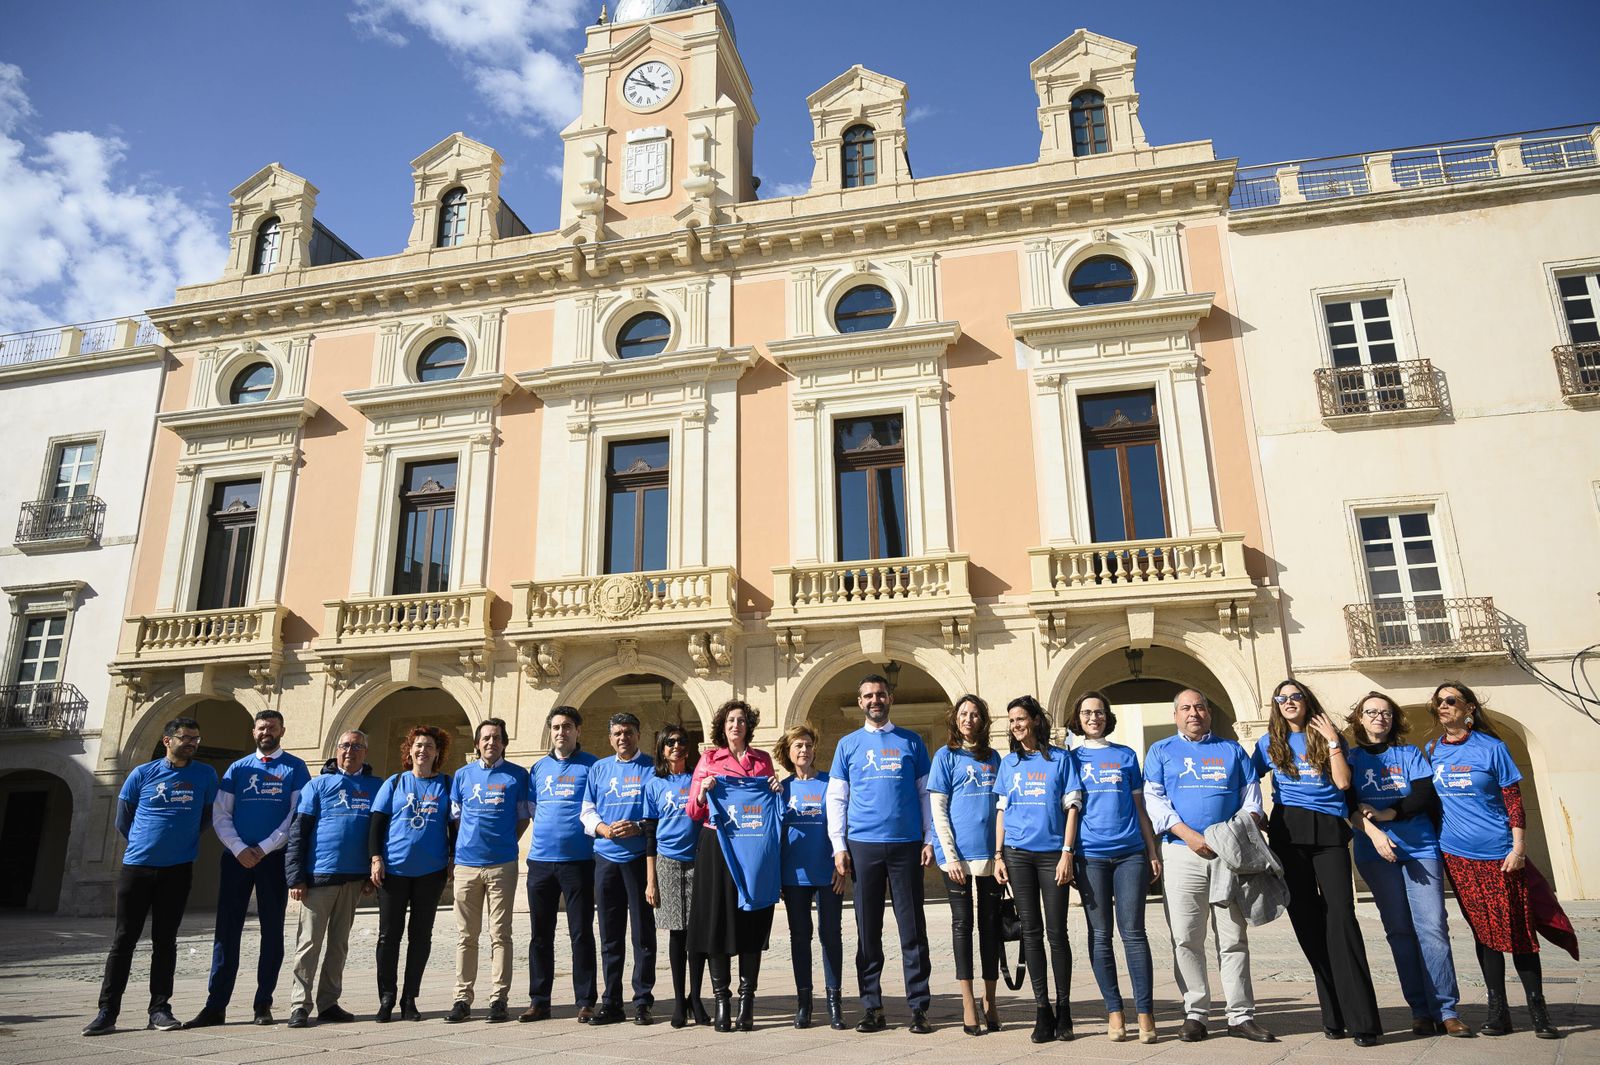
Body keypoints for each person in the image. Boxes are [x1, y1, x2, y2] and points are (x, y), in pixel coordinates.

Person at [1427, 682, 1566, 1039]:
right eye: (1438, 702)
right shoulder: (1432, 750)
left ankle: (1539, 1013)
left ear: (1468, 708)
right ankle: (1498, 1013)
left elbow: (1514, 800)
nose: (1443, 706)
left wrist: (1518, 849)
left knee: (1518, 932)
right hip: (1456, 856)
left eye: (1451, 701)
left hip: (1500, 855)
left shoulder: (1492, 748)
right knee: (1484, 934)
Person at [1252, 680, 1382, 1046]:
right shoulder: (1268, 742)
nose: (1290, 702)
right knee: (1307, 921)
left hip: (1329, 833)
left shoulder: (1327, 735)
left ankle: (1363, 1020)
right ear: (1276, 704)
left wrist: (1332, 740)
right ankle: (1333, 1014)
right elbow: (1247, 779)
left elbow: (1342, 782)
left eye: (1296, 697)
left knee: (1341, 918)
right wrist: (1255, 815)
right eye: (1282, 698)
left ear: (1307, 702)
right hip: (1288, 831)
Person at [1143, 689, 1275, 1043]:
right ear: (1175, 715)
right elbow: (1155, 801)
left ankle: (1240, 1015)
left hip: (1228, 855)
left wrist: (1228, 835)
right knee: (1186, 937)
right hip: (1181, 852)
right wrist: (1188, 835)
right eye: (1185, 708)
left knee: (1232, 937)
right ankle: (1196, 1013)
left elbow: (1252, 799)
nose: (1193, 713)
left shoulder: (1232, 750)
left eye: (1199, 707)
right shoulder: (1160, 752)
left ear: (1209, 713)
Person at [1344, 692, 1471, 1037]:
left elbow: (1422, 795)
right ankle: (1419, 1010)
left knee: (1432, 927)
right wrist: (1374, 832)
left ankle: (1446, 1009)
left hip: (1420, 847)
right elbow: (1347, 804)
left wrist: (1388, 813)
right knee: (1399, 931)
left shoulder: (1409, 753)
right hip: (1375, 853)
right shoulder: (1350, 760)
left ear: (1393, 719)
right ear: (1359, 718)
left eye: (1385, 713)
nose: (1379, 718)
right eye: (1370, 712)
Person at [83, 717, 219, 1037]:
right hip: (137, 868)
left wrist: (178, 842)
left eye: (196, 739)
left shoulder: (205, 775)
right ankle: (107, 1011)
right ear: (167, 739)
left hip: (178, 869)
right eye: (186, 738)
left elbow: (207, 816)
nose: (192, 743)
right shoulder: (142, 773)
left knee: (165, 941)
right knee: (124, 940)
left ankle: (159, 1009)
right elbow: (123, 819)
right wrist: (147, 843)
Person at [185, 709, 309, 1029]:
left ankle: (263, 1003)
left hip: (273, 860)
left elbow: (296, 815)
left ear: (282, 731)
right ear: (253, 732)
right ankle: (216, 1005)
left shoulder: (295, 767)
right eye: (260, 727)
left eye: (272, 727)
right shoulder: (237, 769)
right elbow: (221, 814)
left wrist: (265, 847)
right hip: (237, 859)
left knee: (271, 932)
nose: (266, 731)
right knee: (226, 932)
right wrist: (240, 849)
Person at [826, 674, 936, 1034]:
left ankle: (919, 1006)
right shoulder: (848, 745)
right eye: (868, 695)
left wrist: (929, 838)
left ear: (890, 699)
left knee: (912, 929)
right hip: (863, 846)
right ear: (860, 702)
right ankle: (872, 1007)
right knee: (867, 931)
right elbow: (837, 799)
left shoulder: (912, 742)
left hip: (905, 844)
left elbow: (925, 795)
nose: (875, 700)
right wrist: (839, 846)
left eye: (881, 694)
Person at [1067, 691, 1160, 1044]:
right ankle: (1114, 1011)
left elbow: (1140, 808)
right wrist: (1069, 854)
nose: (1094, 717)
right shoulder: (1071, 760)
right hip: (1089, 856)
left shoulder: (1126, 756)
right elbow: (1069, 812)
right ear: (1078, 718)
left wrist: (1152, 850)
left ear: (1108, 716)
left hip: (1130, 854)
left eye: (1100, 712)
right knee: (1100, 935)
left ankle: (1145, 1012)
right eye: (1087, 713)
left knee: (1134, 933)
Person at [993, 695, 1081, 1044]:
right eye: (1012, 720)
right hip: (1017, 854)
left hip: (1052, 854)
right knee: (1030, 931)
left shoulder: (1061, 759)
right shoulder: (1008, 764)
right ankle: (1041, 1009)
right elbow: (1002, 810)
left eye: (1021, 719)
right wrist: (998, 855)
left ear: (1035, 721)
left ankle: (1065, 1009)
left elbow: (1072, 807)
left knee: (1057, 932)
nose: (1016, 725)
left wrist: (1067, 853)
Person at [685, 700, 777, 1032]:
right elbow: (693, 812)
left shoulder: (762, 761)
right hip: (717, 848)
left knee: (751, 921)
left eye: (741, 720)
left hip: (752, 848)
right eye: (730, 720)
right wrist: (702, 793)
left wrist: (776, 790)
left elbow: (770, 806)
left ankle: (747, 1002)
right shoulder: (709, 760)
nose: (735, 725)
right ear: (722, 727)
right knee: (716, 922)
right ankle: (721, 1001)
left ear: (748, 726)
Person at [284, 729, 378, 1029]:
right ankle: (300, 1004)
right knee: (309, 943)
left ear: (365, 752)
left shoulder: (375, 786)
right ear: (337, 750)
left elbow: (378, 835)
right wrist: (295, 876)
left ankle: (328, 1003)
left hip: (353, 880)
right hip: (318, 878)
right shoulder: (317, 785)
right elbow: (298, 833)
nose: (350, 751)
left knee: (339, 945)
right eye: (345, 746)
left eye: (357, 746)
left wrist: (368, 875)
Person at [449, 717, 533, 1024]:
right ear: (476, 743)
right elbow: (456, 818)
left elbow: (524, 817)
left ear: (504, 743)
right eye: (485, 738)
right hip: (466, 865)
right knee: (466, 936)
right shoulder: (462, 775)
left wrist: (506, 839)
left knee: (501, 934)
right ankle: (462, 998)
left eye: (496, 738)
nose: (490, 743)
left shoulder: (516, 776)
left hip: (502, 864)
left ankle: (499, 998)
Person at [927, 695, 1002, 1037]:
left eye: (974, 714)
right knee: (962, 926)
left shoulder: (994, 758)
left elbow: (1002, 807)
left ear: (982, 720)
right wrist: (950, 854)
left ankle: (991, 999)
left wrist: (1001, 854)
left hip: (990, 857)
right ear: (954, 720)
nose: (968, 719)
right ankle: (967, 1001)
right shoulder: (946, 757)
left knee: (989, 926)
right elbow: (938, 808)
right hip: (956, 858)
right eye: (963, 714)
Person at [370, 725, 453, 1022]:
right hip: (393, 871)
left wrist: (453, 857)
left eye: (429, 746)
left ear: (437, 752)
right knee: (388, 936)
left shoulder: (446, 784)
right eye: (418, 745)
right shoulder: (394, 783)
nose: (423, 750)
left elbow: (455, 825)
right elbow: (376, 824)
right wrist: (376, 858)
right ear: (410, 750)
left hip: (430, 872)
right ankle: (386, 997)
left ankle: (409, 999)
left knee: (421, 937)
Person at [523, 706, 598, 1024]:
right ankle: (540, 1001)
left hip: (579, 862)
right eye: (555, 727)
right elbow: (531, 810)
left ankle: (585, 1001)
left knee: (581, 933)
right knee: (540, 935)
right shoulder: (538, 769)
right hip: (540, 863)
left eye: (567, 726)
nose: (561, 732)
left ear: (578, 730)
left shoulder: (592, 766)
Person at [581, 712, 657, 1025]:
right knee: (610, 936)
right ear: (610, 737)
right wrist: (603, 828)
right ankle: (611, 1002)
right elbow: (586, 811)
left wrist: (639, 826)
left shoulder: (652, 768)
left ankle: (642, 1001)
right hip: (605, 859)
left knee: (643, 934)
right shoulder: (598, 768)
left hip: (639, 860)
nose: (622, 738)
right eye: (616, 733)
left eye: (627, 732)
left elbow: (658, 813)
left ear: (638, 734)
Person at [776, 724, 847, 1031]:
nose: (803, 750)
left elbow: (845, 825)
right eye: (797, 746)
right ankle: (804, 1003)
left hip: (828, 872)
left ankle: (835, 1004)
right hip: (794, 875)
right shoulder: (782, 789)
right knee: (800, 938)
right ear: (789, 753)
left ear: (814, 749)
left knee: (831, 936)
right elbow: (773, 834)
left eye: (807, 745)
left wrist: (844, 866)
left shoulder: (831, 784)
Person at [644, 723, 709, 1028]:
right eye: (670, 742)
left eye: (682, 741)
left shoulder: (698, 778)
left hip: (697, 861)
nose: (677, 746)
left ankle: (696, 998)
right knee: (676, 933)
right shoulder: (654, 783)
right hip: (667, 863)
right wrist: (651, 880)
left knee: (696, 933)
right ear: (661, 748)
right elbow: (650, 834)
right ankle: (679, 1001)